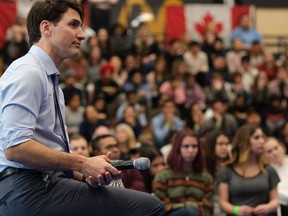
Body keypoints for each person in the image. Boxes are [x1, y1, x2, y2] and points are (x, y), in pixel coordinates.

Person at [0, 1, 164, 215]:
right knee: (149, 208)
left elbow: (46, 150)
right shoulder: (29, 72)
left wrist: (86, 173)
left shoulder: (48, 78)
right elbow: (16, 147)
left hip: (42, 185)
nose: (82, 34)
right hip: (28, 190)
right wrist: (82, 163)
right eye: (74, 25)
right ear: (46, 28)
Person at [217, 124, 279, 216]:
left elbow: (275, 201)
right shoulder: (226, 171)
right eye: (256, 138)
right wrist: (236, 210)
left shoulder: (268, 170)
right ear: (244, 141)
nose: (262, 141)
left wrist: (268, 207)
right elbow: (223, 203)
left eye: (262, 137)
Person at [153, 128, 214, 216]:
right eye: (186, 146)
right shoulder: (163, 176)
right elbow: (161, 206)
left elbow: (208, 207)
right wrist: (189, 206)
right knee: (188, 212)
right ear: (177, 148)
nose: (191, 150)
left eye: (194, 146)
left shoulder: (206, 177)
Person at [264, 137, 288, 216]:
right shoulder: (267, 171)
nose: (274, 153)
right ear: (264, 156)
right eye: (269, 151)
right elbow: (276, 194)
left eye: (276, 148)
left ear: (282, 147)